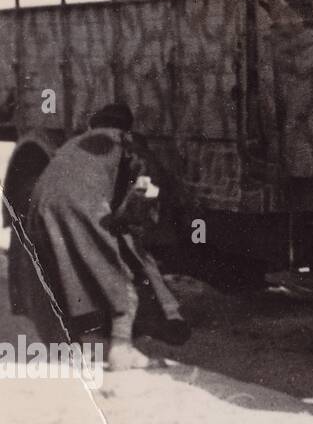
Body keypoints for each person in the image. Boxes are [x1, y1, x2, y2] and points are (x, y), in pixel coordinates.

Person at [23, 103, 189, 371]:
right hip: (80, 207)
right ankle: (121, 351)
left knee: (74, 277)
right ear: (126, 128)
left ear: (93, 125)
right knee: (123, 277)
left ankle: (92, 346)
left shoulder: (73, 144)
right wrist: (135, 222)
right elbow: (143, 192)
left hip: (39, 208)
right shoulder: (127, 144)